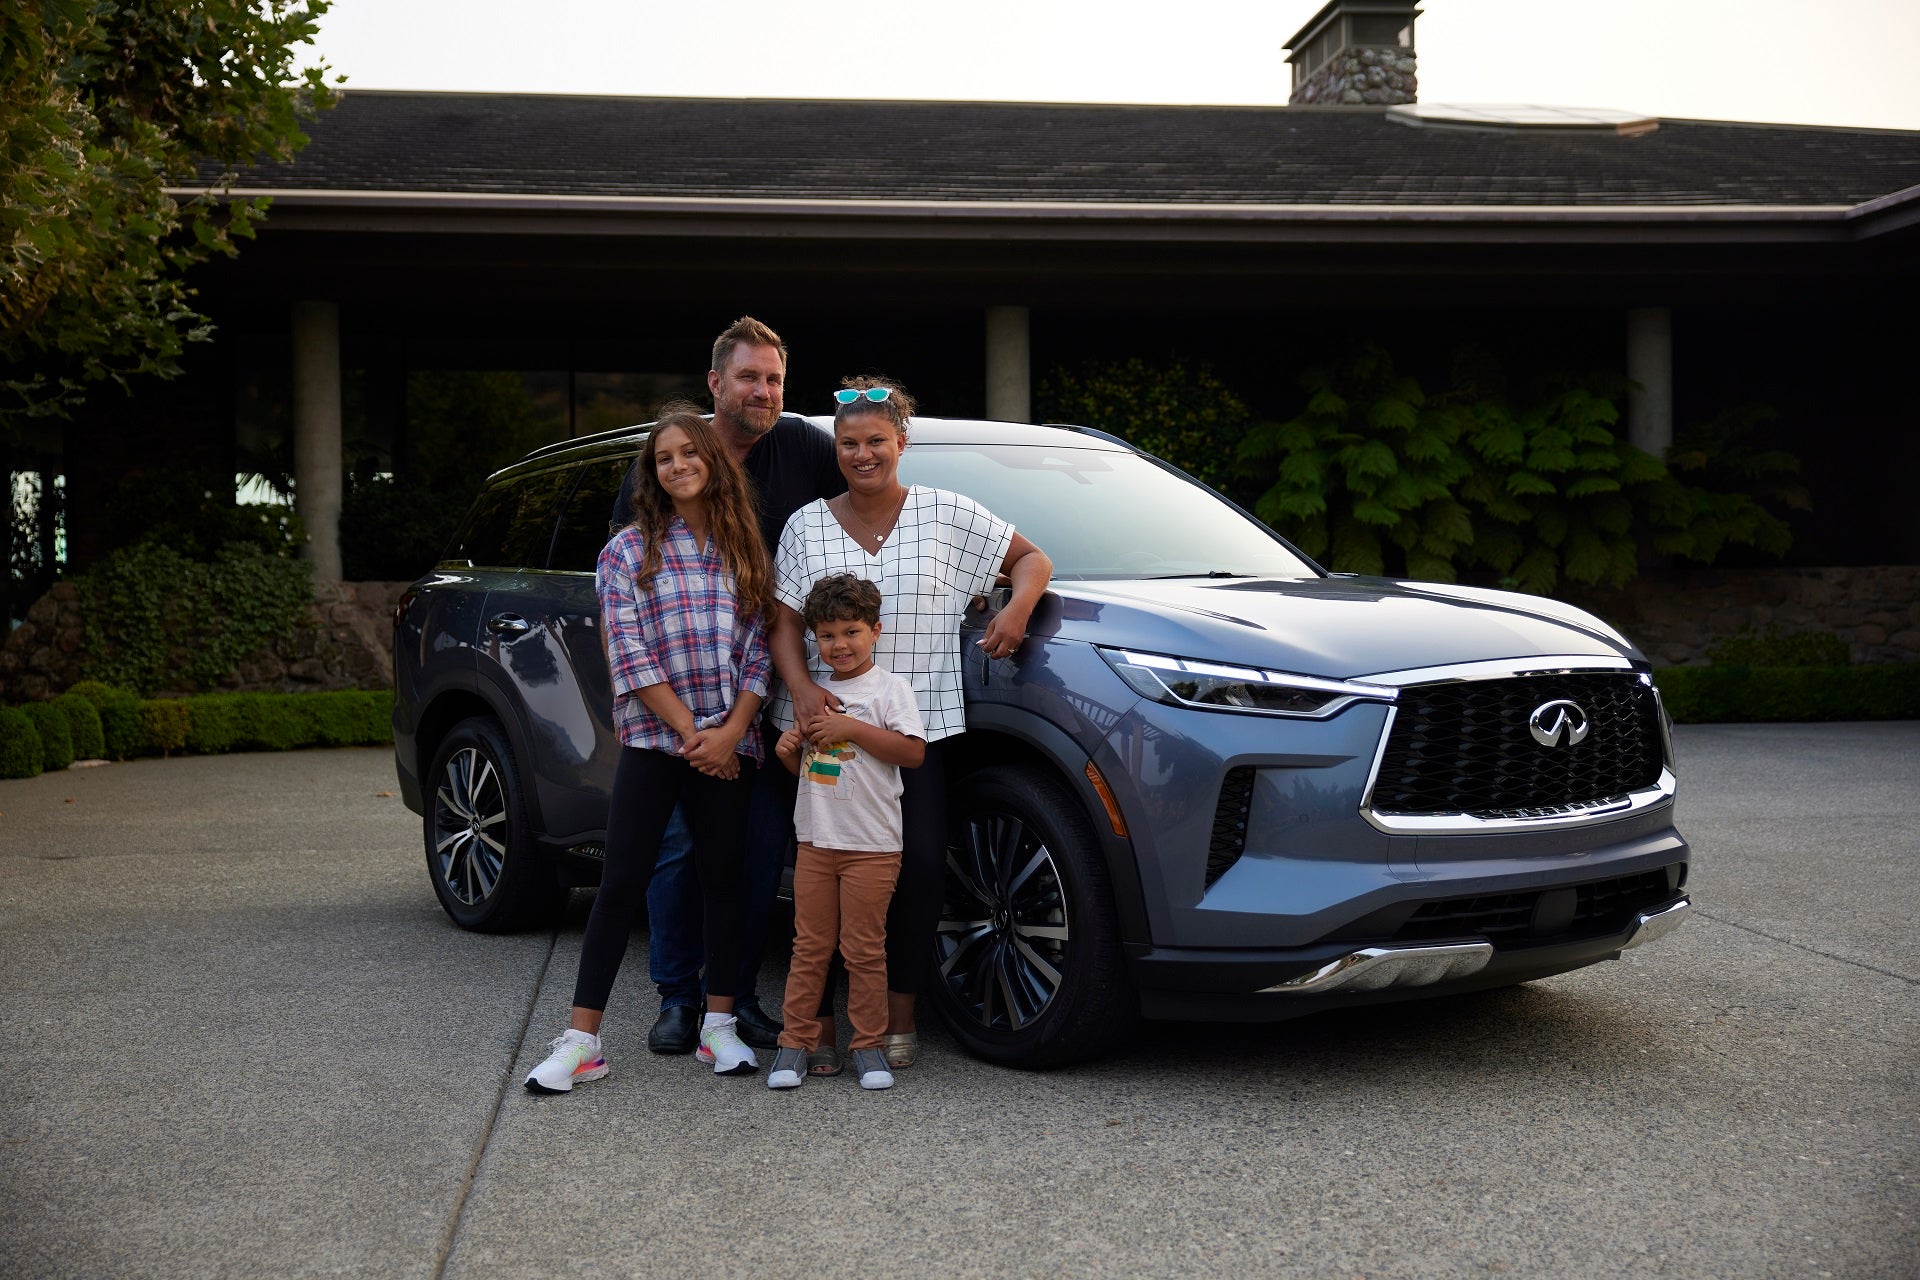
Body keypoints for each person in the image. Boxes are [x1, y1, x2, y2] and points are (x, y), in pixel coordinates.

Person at [770, 376, 1052, 1073]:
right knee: (820, 888)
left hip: (915, 732)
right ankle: (822, 1029)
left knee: (918, 871)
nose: (862, 454)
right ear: (835, 448)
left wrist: (1015, 609)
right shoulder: (806, 524)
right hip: (823, 732)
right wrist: (803, 691)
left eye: (875, 441)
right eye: (848, 444)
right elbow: (783, 625)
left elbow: (1032, 559)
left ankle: (896, 1017)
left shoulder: (947, 514)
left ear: (902, 442)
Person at [606, 317, 845, 1055]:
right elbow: (631, 581)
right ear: (716, 383)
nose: (764, 392)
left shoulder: (805, 444)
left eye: (774, 379)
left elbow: (870, 511)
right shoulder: (674, 458)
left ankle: (733, 1000)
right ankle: (677, 998)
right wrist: (691, 730)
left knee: (754, 847)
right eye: (749, 377)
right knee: (677, 852)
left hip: (765, 696)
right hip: (680, 706)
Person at [525, 405, 775, 1093]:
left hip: (731, 744)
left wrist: (730, 733)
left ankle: (718, 1028)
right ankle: (581, 1042)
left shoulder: (746, 548)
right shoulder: (627, 552)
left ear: (711, 462)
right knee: (620, 884)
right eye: (664, 459)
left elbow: (759, 655)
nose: (678, 466)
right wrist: (698, 736)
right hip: (658, 744)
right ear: (653, 473)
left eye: (689, 454)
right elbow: (629, 657)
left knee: (725, 882)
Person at [767, 574, 926, 1092]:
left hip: (873, 848)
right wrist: (792, 753)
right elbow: (820, 772)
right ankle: (795, 1044)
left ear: (876, 631)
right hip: (816, 843)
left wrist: (851, 728)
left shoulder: (890, 689)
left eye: (852, 631)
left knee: (864, 950)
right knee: (809, 947)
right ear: (814, 638)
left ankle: (869, 1047)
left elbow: (913, 752)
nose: (840, 645)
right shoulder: (813, 694)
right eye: (828, 635)